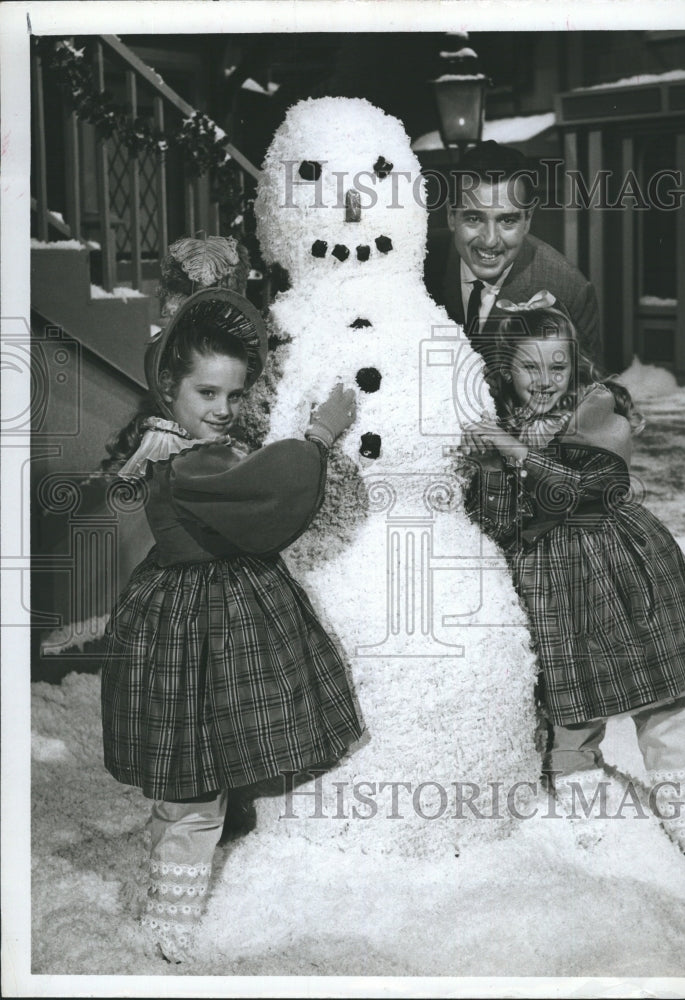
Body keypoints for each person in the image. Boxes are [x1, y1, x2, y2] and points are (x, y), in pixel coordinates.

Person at [100, 286, 362, 962]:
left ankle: (215, 821)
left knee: (213, 738)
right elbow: (268, 488)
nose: (222, 410)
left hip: (193, 599)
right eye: (206, 394)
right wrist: (319, 433)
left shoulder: (166, 442)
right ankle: (172, 918)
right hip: (198, 611)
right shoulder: (191, 459)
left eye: (233, 395)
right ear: (169, 389)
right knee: (194, 780)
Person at [460, 294, 685, 869]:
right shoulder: (501, 429)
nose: (546, 381)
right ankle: (592, 835)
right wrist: (492, 467)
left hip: (619, 567)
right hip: (552, 585)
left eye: (558, 365)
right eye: (530, 367)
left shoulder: (596, 410)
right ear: (507, 369)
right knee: (572, 704)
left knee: (660, 698)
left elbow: (577, 493)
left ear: (575, 365)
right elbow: (503, 525)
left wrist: (511, 452)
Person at [424, 140, 601, 366]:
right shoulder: (415, 264)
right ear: (451, 216)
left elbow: (588, 394)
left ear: (527, 220)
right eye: (474, 218)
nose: (489, 240)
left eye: (507, 220)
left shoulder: (570, 292)